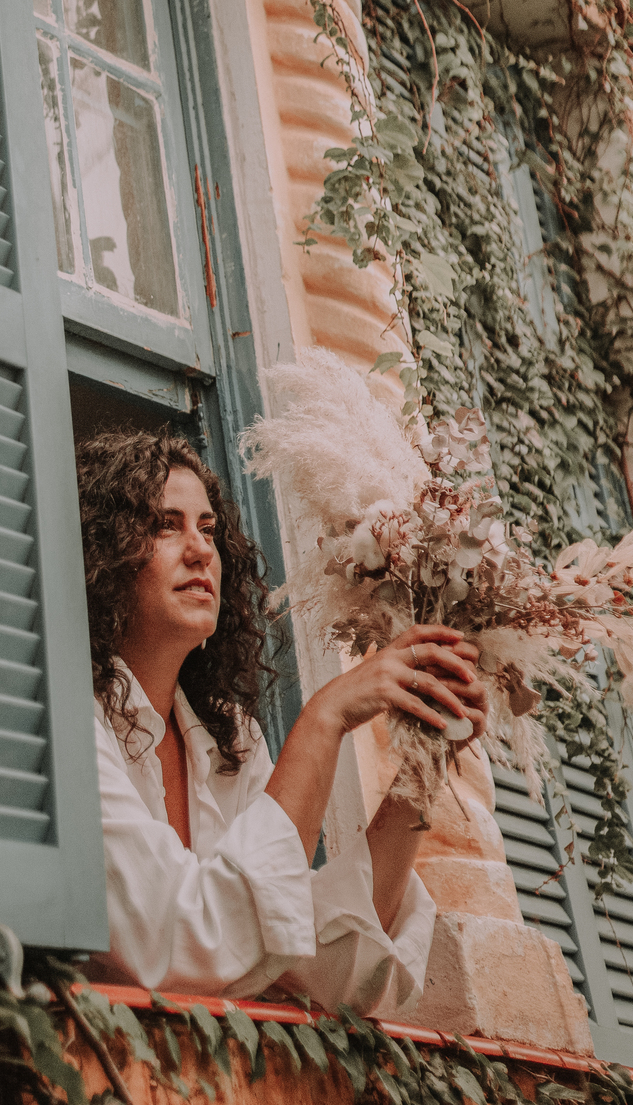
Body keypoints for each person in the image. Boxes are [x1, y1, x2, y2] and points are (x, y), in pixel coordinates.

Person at [78, 429, 488, 1014]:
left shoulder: (231, 742)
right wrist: (325, 717)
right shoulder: (72, 719)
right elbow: (183, 945)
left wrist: (422, 768)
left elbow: (325, 970)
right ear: (102, 555)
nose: (199, 550)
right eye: (166, 524)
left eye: (208, 529)